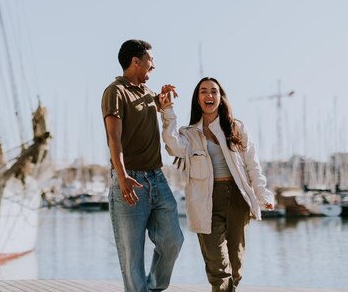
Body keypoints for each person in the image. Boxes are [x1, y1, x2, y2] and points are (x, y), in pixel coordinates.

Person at [159, 77, 273, 292]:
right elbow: (173, 145)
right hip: (205, 201)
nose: (209, 95)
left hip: (237, 199)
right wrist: (167, 110)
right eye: (203, 91)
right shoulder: (189, 133)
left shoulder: (236, 128)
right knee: (218, 267)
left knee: (236, 267)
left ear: (221, 98)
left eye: (214, 91)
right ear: (197, 99)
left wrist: (262, 194)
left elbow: (252, 165)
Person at [101, 39, 184, 292]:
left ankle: (153, 287)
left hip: (157, 179)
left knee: (173, 240)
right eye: (150, 60)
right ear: (135, 61)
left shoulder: (146, 93)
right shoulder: (115, 91)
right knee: (132, 256)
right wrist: (123, 175)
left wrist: (164, 96)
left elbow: (156, 104)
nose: (153, 65)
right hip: (130, 181)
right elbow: (113, 137)